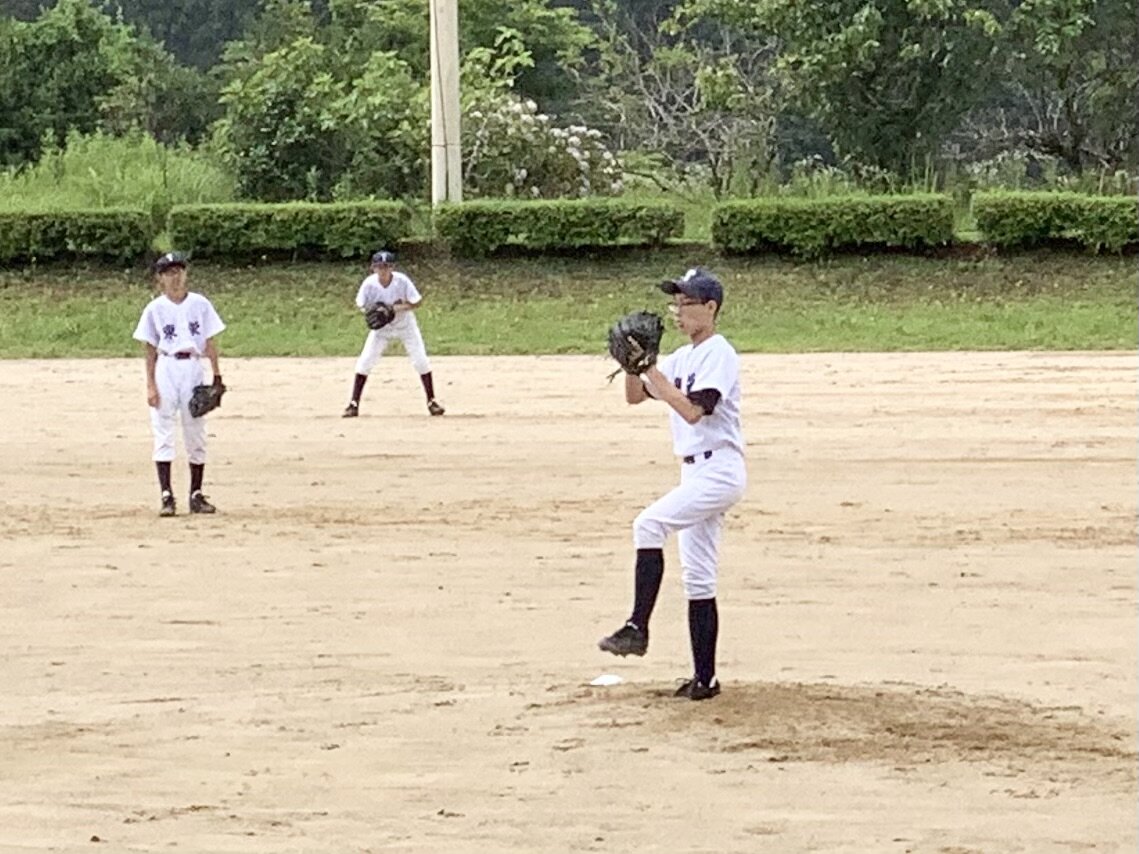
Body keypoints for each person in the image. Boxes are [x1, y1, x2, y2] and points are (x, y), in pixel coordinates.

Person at [598, 267, 747, 701]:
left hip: (720, 470)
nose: (678, 311)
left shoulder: (719, 353)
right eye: (676, 303)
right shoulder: (682, 358)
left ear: (710, 307)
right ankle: (706, 680)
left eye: (687, 303)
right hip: (695, 471)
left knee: (649, 524)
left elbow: (695, 412)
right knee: (699, 578)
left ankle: (636, 626)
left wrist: (652, 370)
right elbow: (635, 396)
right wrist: (632, 366)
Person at [132, 251, 226, 517]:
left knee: (195, 430)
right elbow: (150, 348)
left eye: (179, 271)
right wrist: (150, 385)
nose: (175, 277)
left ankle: (196, 494)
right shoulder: (155, 309)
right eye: (169, 272)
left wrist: (216, 376)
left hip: (193, 367)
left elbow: (209, 341)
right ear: (160, 278)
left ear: (185, 274)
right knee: (163, 430)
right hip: (166, 366)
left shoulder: (200, 304)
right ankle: (166, 495)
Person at [342, 250, 445, 417]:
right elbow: (361, 305)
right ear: (373, 268)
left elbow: (417, 302)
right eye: (379, 266)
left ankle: (432, 401)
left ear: (392, 267)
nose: (383, 270)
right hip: (382, 329)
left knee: (421, 361)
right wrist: (376, 311)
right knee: (365, 362)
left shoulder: (401, 281)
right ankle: (353, 404)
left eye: (387, 266)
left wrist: (394, 308)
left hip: (405, 326)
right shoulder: (369, 284)